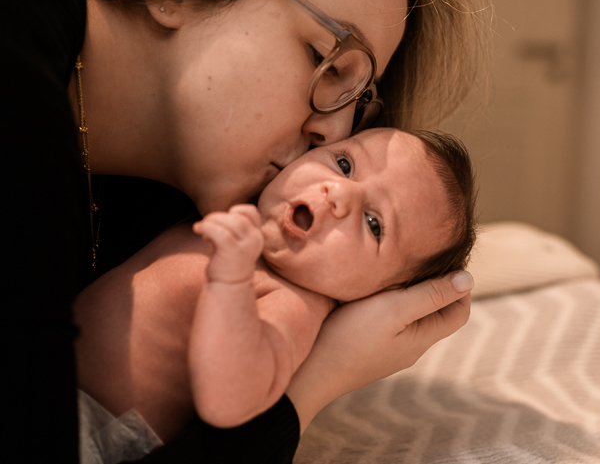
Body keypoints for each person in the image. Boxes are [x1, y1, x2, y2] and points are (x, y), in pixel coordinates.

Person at [0, 0, 490, 461]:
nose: (333, 130)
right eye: (329, 63)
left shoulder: (157, 195)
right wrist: (313, 387)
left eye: (359, 102)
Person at [73, 128, 476, 461]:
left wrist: (230, 283)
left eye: (374, 224)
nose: (339, 193)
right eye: (344, 164)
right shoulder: (233, 207)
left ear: (377, 295)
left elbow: (228, 402)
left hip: (92, 433)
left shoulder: (293, 305)